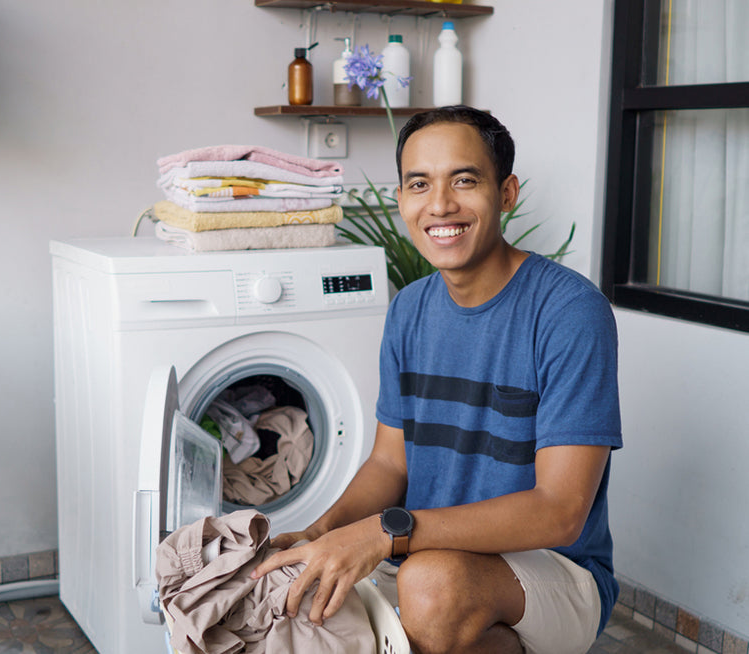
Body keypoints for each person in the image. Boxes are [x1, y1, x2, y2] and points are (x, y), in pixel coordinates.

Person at [251, 106, 622, 654]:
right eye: (419, 184)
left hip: (552, 574)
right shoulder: (409, 311)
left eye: (465, 180)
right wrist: (321, 531)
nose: (441, 204)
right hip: (420, 555)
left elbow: (560, 511)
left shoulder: (568, 310)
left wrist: (383, 533)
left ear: (506, 193)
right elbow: (388, 464)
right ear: (402, 200)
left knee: (431, 584)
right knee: (309, 599)